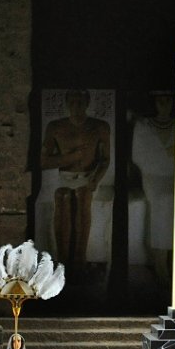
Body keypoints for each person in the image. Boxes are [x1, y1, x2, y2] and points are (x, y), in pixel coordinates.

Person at [40, 88, 111, 267]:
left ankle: (80, 258)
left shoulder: (99, 126)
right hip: (64, 177)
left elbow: (105, 159)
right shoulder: (56, 127)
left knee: (82, 196)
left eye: (80, 102)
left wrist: (96, 179)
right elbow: (43, 161)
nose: (76, 106)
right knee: (62, 197)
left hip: (88, 177)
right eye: (72, 102)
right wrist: (70, 158)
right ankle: (63, 259)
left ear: (87, 103)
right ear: (66, 104)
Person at [131, 90, 175, 283]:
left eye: (168, 100)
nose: (164, 104)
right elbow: (139, 156)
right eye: (160, 100)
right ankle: (160, 263)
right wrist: (166, 155)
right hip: (153, 178)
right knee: (161, 208)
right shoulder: (144, 126)